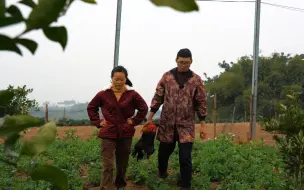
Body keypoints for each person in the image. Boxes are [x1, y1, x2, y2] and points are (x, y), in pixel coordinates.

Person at [146, 48, 208, 190]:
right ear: (176, 60)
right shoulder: (167, 77)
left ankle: (185, 185)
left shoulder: (196, 80)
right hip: (167, 124)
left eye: (186, 62)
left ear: (191, 61)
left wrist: (203, 125)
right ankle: (162, 173)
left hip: (186, 125)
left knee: (185, 156)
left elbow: (201, 102)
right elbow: (158, 97)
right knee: (163, 153)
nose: (183, 65)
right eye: (181, 62)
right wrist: (150, 118)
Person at [87, 66, 148, 190]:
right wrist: (98, 121)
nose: (119, 82)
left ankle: (120, 185)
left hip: (125, 132)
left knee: (122, 163)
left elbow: (144, 108)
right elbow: (91, 107)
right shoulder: (103, 94)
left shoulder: (132, 94)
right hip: (108, 132)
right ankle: (106, 187)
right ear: (111, 79)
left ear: (126, 79)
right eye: (116, 79)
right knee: (108, 164)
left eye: (122, 79)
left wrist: (134, 121)